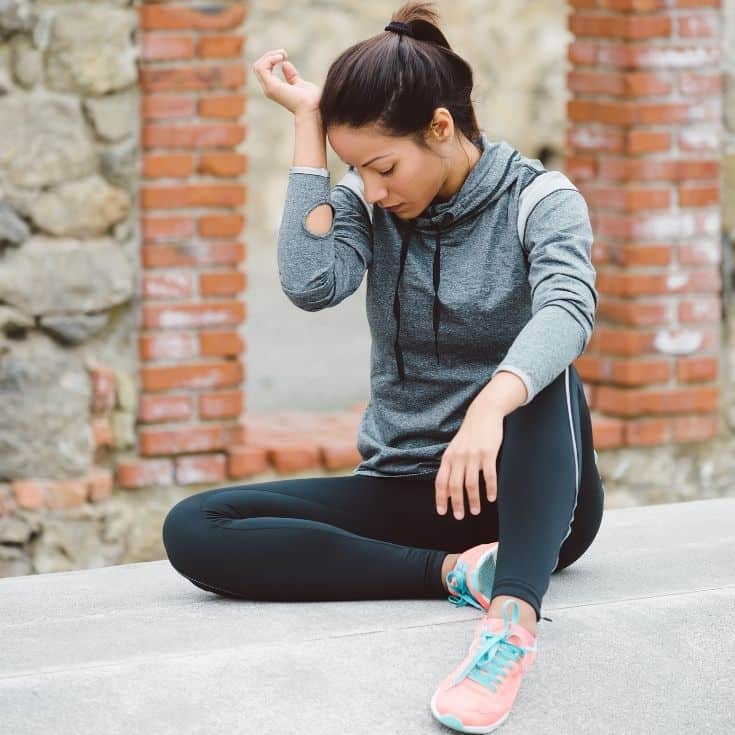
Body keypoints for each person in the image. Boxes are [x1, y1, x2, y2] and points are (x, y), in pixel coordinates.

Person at [161, 2, 605, 732]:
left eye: (383, 165)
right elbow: (310, 284)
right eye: (356, 168)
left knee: (547, 362)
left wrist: (489, 404)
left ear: (439, 126)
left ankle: (510, 622)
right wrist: (309, 130)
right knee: (198, 524)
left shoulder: (539, 200)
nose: (371, 186)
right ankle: (459, 573)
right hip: (416, 489)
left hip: (532, 493)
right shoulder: (373, 202)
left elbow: (569, 307)